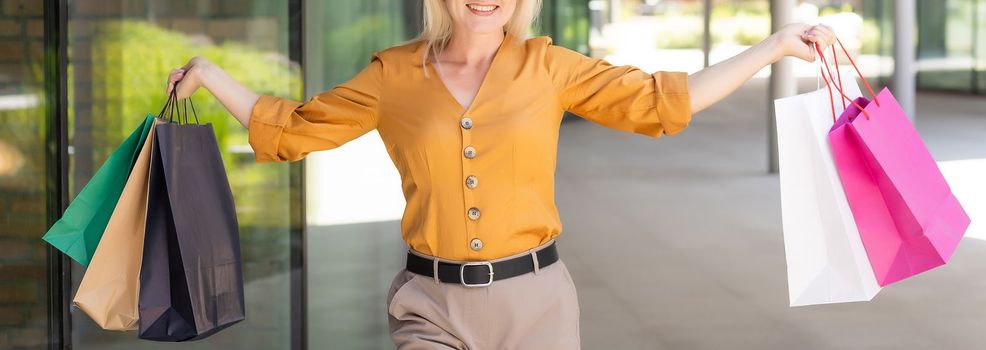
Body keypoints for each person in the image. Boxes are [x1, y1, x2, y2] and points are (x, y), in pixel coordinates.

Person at [165, 0, 836, 348]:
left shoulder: (549, 66)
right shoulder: (393, 76)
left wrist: (775, 46)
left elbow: (664, 99)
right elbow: (294, 128)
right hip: (431, 308)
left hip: (537, 307)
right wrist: (212, 76)